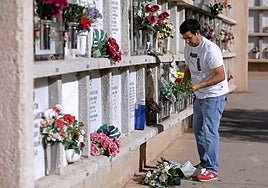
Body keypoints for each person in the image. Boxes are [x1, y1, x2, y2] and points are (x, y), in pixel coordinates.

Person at [179, 19, 229, 182]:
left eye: (189, 38)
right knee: (198, 129)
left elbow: (221, 75)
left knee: (210, 131)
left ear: (198, 33)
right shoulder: (188, 47)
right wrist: (181, 83)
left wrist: (200, 85)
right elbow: (187, 68)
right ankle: (205, 163)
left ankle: (213, 170)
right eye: (184, 39)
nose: (187, 41)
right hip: (200, 94)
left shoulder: (210, 49)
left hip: (214, 95)